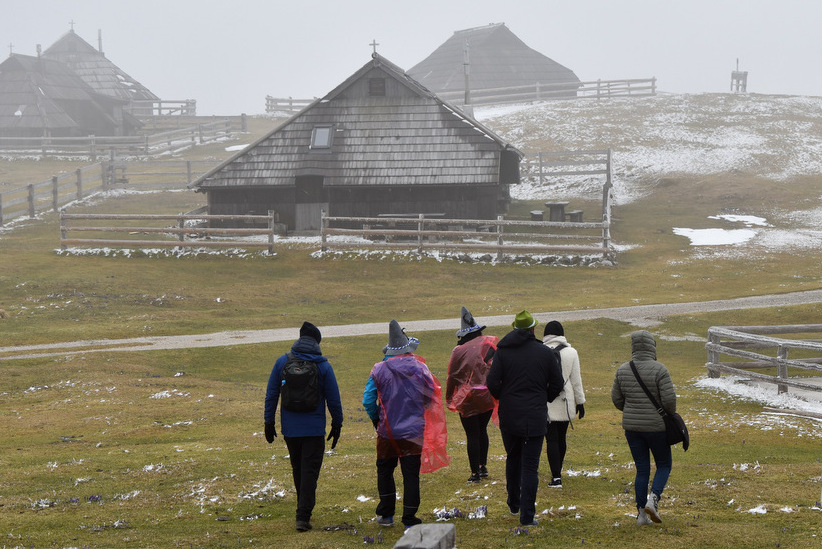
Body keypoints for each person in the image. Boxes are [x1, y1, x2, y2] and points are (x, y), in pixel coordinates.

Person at [362, 320, 448, 530]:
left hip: (387, 431)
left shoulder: (379, 369)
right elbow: (431, 395)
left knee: (385, 470)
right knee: (411, 474)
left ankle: (386, 514)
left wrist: (376, 419)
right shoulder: (420, 368)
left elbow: (368, 400)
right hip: (413, 430)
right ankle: (409, 517)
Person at [264, 321, 343, 532]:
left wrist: (268, 422)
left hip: (290, 429)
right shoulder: (323, 366)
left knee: (298, 468)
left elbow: (271, 394)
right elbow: (334, 399)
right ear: (317, 342)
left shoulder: (282, 362)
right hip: (314, 429)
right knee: (310, 471)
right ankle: (303, 515)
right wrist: (337, 423)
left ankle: (302, 509)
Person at [487, 310, 563, 527]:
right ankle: (527, 516)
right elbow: (557, 383)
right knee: (530, 466)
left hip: (509, 415)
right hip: (535, 416)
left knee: (513, 458)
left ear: (514, 328)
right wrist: (545, 397)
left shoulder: (502, 352)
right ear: (533, 329)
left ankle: (513, 503)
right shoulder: (545, 352)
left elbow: (491, 382)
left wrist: (504, 396)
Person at [611, 330, 676, 526]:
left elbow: (617, 399)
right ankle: (653, 498)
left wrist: (631, 410)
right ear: (652, 346)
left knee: (642, 469)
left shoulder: (622, 370)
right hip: (657, 428)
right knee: (664, 464)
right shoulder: (660, 370)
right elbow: (669, 401)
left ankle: (641, 514)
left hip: (632, 429)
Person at [445, 307, 499, 483]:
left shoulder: (458, 351)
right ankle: (483, 467)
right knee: (482, 430)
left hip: (466, 398)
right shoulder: (489, 346)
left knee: (472, 434)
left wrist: (449, 398)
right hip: (486, 395)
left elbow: (452, 376)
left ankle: (474, 473)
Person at [542, 320, 586, 488]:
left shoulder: (541, 351)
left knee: (551, 439)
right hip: (565, 400)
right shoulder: (571, 352)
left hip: (546, 400)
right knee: (561, 437)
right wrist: (580, 402)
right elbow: (576, 380)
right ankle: (558, 470)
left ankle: (556, 477)